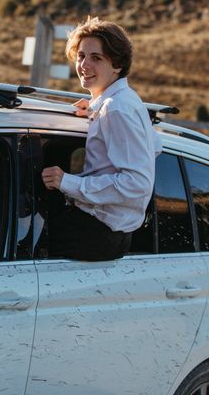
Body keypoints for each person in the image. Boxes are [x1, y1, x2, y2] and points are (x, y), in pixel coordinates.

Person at [41, 16, 162, 261]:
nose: (85, 65)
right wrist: (95, 110)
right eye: (81, 56)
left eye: (96, 58)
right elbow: (155, 147)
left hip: (94, 233)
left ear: (117, 64)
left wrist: (68, 183)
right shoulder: (124, 102)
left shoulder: (116, 108)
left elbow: (137, 182)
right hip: (107, 232)